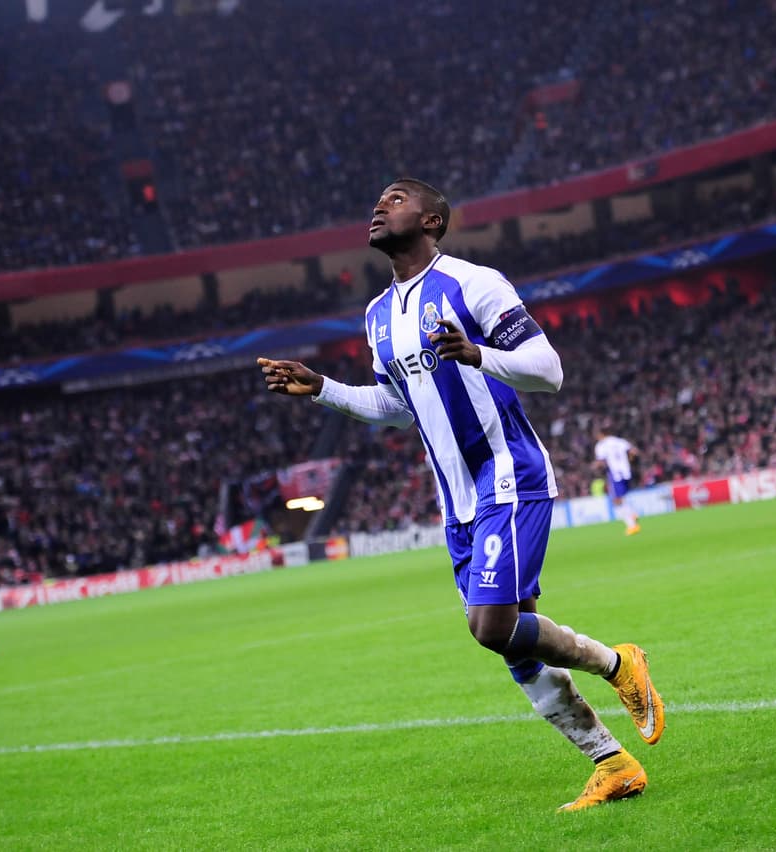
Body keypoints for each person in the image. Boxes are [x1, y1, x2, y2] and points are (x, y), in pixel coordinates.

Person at [258, 178, 665, 811]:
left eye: (395, 199)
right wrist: (323, 390)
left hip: (508, 475)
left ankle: (617, 664)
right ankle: (611, 763)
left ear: (433, 220)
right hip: (457, 500)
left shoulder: (475, 283)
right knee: (511, 639)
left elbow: (548, 370)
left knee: (489, 625)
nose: (379, 205)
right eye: (378, 199)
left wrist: (479, 355)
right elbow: (396, 406)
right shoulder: (376, 316)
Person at [594, 428, 642, 535]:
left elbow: (601, 462)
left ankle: (632, 525)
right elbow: (634, 451)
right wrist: (629, 460)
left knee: (616, 500)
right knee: (621, 498)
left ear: (601, 434)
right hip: (626, 472)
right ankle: (633, 513)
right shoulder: (619, 441)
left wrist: (596, 466)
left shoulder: (601, 445)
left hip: (615, 474)